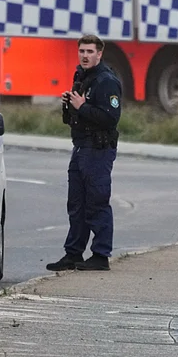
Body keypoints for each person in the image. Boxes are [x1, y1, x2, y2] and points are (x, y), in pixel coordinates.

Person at [45, 34, 123, 272]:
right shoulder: (81, 76)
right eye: (82, 51)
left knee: (97, 202)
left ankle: (100, 255)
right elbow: (75, 118)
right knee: (76, 204)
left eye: (90, 52)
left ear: (100, 54)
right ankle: (73, 253)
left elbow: (111, 118)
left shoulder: (106, 81)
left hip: (97, 149)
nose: (85, 56)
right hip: (80, 147)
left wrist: (83, 107)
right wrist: (70, 105)